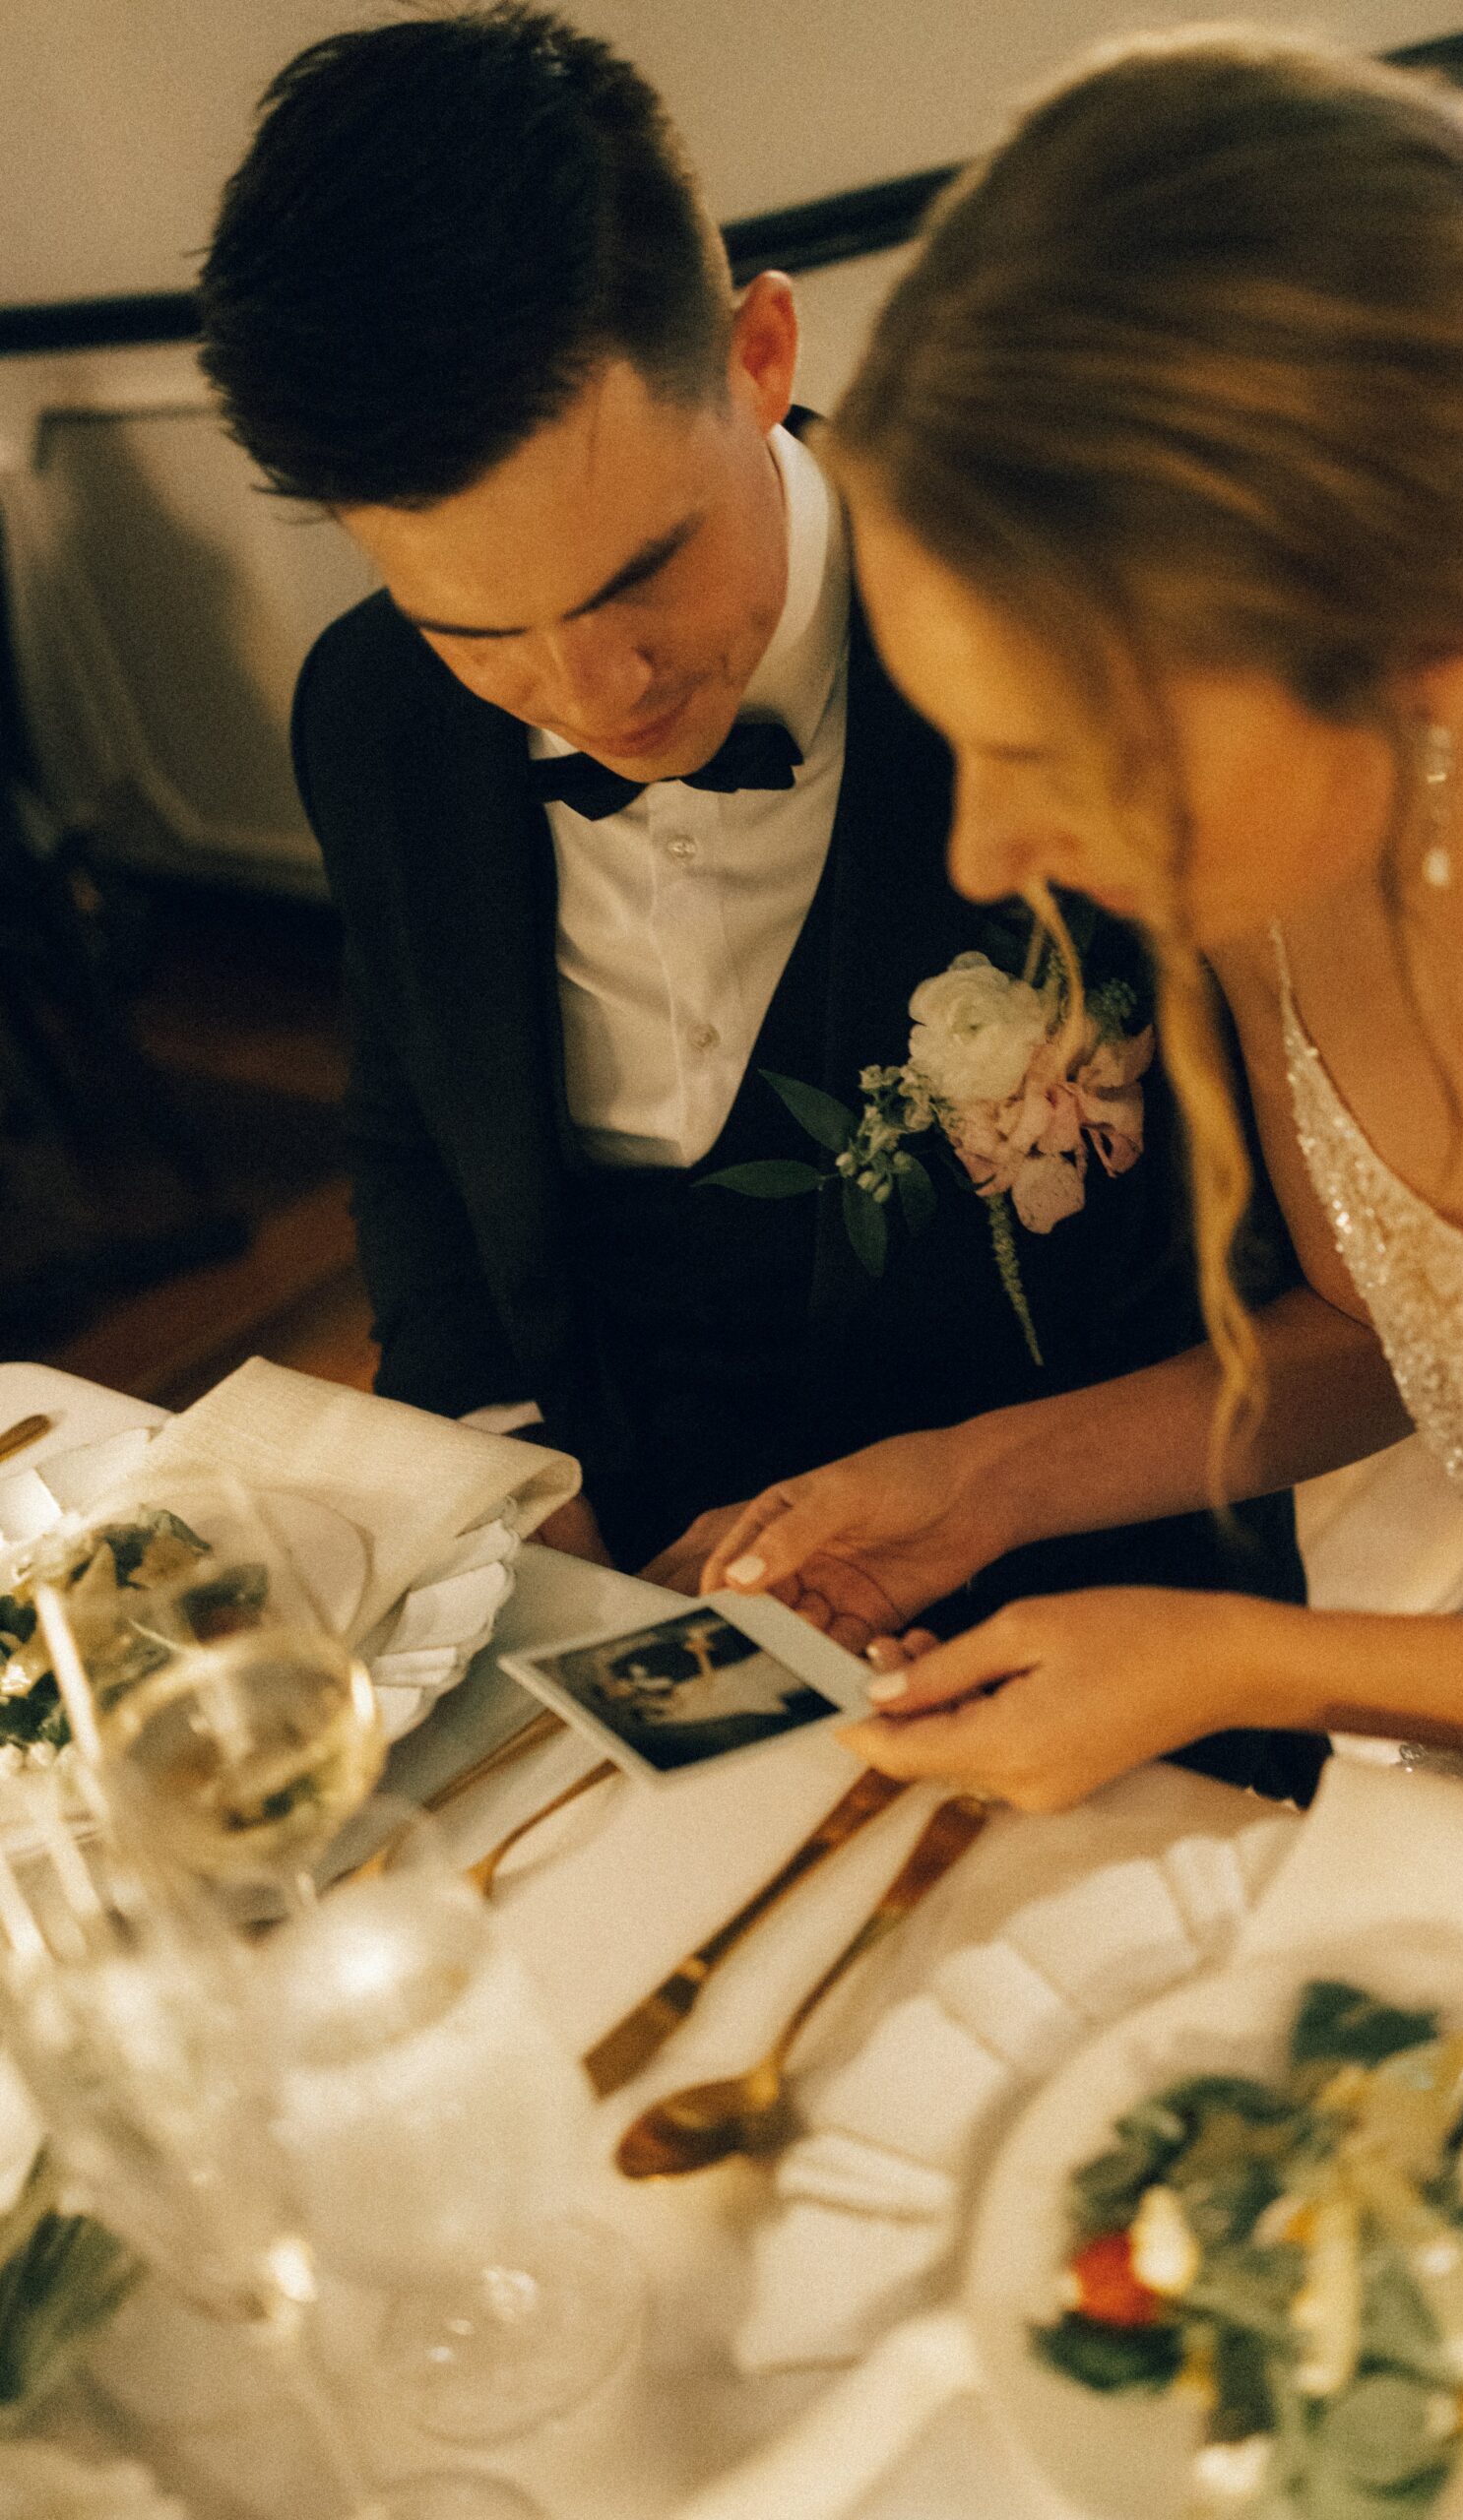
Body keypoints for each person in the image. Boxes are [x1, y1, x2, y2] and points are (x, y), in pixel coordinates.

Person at [196, 7, 1342, 1793]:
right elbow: (412, 1129)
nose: (594, 697)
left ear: (759, 349)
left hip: (1104, 1628)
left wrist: (990, 1486)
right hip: (602, 1607)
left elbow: (1337, 1306)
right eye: (478, 634)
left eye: (640, 574)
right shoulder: (366, 713)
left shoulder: (1084, 653)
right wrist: (514, 1478)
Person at [707, 26, 1463, 1827]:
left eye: (1053, 754)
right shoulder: (1283, 865)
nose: (995, 856)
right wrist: (981, 1487)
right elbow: (1374, 1336)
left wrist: (1265, 1661)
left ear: (1386, 626)